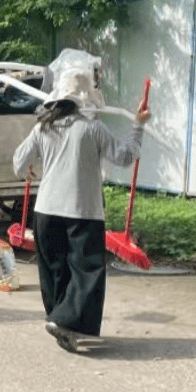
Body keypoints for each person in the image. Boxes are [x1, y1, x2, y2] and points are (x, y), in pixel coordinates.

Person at [13, 71, 151, 353]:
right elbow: (124, 157)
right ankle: (64, 321)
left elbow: (18, 162)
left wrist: (26, 170)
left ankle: (61, 322)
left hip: (46, 212)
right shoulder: (92, 129)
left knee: (55, 270)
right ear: (84, 101)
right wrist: (138, 126)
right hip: (83, 211)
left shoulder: (43, 128)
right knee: (86, 273)